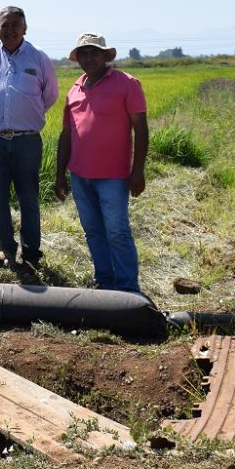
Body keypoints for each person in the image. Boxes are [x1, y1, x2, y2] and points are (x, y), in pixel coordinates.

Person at [53, 33, 148, 292]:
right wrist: (60, 175)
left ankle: (127, 289)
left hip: (113, 176)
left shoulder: (127, 83)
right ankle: (104, 281)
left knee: (117, 231)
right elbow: (67, 134)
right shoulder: (75, 89)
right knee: (93, 231)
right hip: (79, 175)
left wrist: (137, 171)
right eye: (83, 53)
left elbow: (141, 129)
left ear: (105, 55)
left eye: (94, 52)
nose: (88, 58)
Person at [0, 6, 60, 269]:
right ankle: (6, 249)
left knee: (28, 198)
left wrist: (26, 114)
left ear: (25, 29)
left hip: (27, 141)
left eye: (15, 25)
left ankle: (31, 253)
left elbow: (50, 95)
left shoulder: (38, 57)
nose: (9, 30)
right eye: (4, 25)